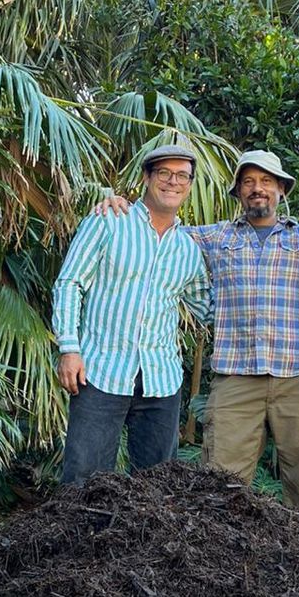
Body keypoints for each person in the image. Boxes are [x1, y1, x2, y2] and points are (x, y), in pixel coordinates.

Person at [96, 148, 299, 519]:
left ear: (281, 190)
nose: (257, 188)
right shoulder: (215, 237)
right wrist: (118, 203)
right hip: (235, 378)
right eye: (248, 182)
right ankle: (215, 555)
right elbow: (160, 230)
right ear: (239, 192)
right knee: (218, 489)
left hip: (298, 375)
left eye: (266, 181)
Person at [52, 144, 211, 485]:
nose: (173, 182)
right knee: (84, 482)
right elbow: (70, 283)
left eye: (182, 176)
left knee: (157, 487)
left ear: (189, 184)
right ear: (147, 178)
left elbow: (207, 308)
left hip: (161, 381)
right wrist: (69, 348)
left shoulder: (188, 249)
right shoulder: (108, 221)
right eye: (164, 173)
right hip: (99, 372)